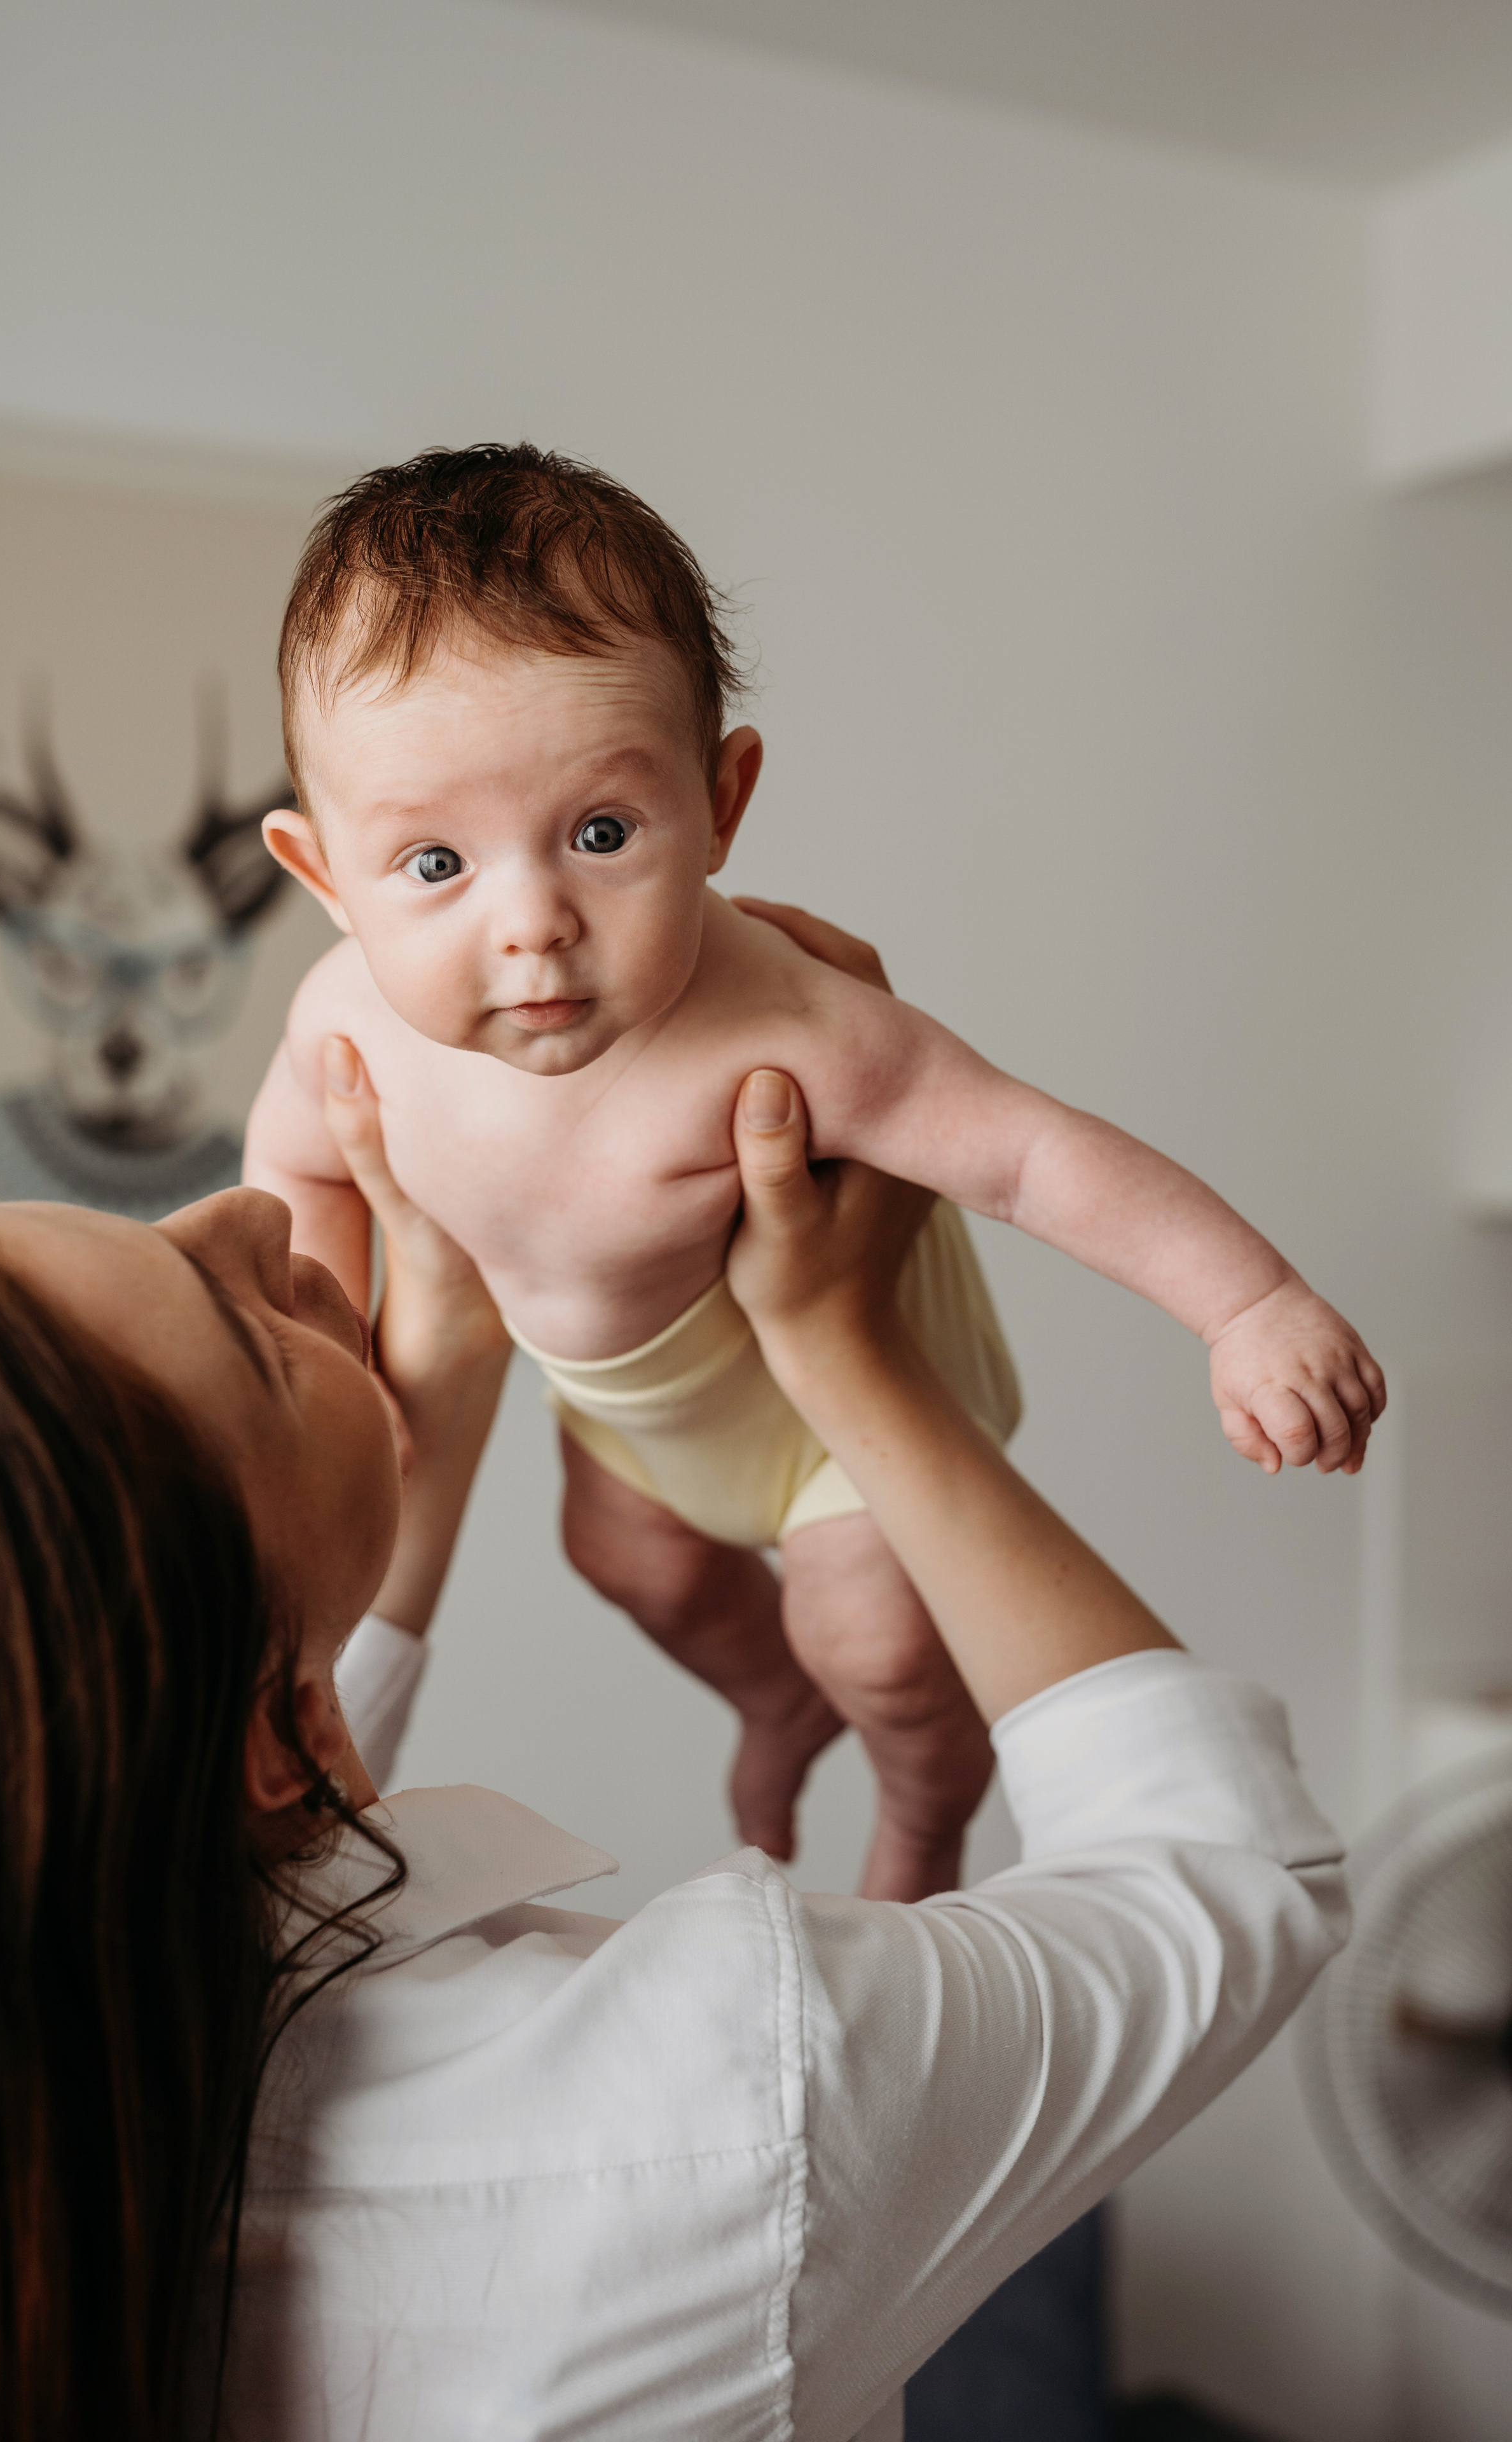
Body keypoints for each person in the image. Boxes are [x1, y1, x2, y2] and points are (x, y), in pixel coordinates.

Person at [0, 928, 1349, 2436]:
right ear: (279, 1728)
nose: (256, 1207)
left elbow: (232, 1777)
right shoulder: (708, 2103)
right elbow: (1231, 1878)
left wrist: (437, 1350)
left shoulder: (33, 2089)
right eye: (251, 1340)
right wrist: (842, 1344)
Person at [245, 442, 1384, 1904]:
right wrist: (325, 1357)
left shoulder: (779, 1024)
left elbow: (1029, 1157)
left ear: (721, 802)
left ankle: (925, 1800)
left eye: (601, 834)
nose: (532, 923)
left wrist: (1249, 1305)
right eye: (434, 865)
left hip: (831, 1419)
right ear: (322, 870)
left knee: (874, 1648)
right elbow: (298, 1180)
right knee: (629, 1568)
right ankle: (770, 1702)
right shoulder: (343, 1022)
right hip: (626, 1416)